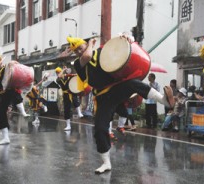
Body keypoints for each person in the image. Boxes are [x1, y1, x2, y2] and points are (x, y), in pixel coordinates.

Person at [66, 35, 174, 174]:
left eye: (80, 48)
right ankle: (106, 163)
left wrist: (127, 38)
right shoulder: (78, 62)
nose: (79, 52)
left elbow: (120, 49)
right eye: (76, 51)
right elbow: (86, 57)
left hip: (116, 88)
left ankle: (164, 101)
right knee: (100, 128)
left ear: (85, 45)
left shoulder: (102, 51)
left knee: (133, 83)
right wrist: (91, 44)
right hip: (102, 96)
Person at [0, 52, 30, 145]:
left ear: (0, 59)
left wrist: (12, 62)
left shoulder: (6, 67)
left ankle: (23, 112)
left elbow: (15, 64)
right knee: (0, 115)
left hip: (10, 90)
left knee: (15, 93)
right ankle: (5, 138)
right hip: (2, 94)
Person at [56, 66, 83, 131]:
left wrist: (76, 74)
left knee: (75, 100)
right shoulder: (58, 80)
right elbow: (59, 76)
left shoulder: (68, 77)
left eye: (58, 72)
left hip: (71, 92)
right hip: (65, 94)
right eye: (57, 73)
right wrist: (63, 70)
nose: (58, 73)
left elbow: (76, 77)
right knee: (67, 109)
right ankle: (68, 125)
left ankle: (79, 112)